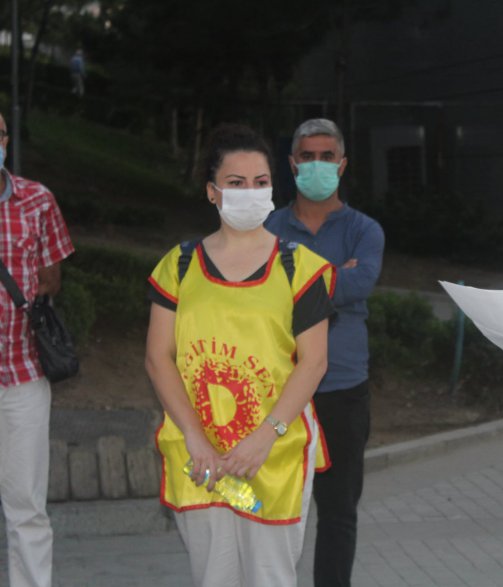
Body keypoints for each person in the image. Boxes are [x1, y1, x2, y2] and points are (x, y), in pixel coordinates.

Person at [145, 123, 335, 586]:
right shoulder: (179, 265)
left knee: (271, 576)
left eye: (260, 182)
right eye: (236, 182)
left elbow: (314, 363)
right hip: (200, 453)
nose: (250, 192)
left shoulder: (300, 268)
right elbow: (158, 357)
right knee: (212, 575)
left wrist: (265, 437)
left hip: (274, 450)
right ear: (212, 192)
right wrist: (194, 436)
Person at [265, 118, 384, 587]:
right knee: (271, 505)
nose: (318, 165)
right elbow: (258, 294)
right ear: (292, 164)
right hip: (278, 389)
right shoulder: (267, 226)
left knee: (338, 512)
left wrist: (293, 281)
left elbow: (360, 284)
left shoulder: (365, 230)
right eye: (308, 157)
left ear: (343, 164)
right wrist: (334, 275)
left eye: (327, 157)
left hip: (342, 390)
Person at [0, 112, 74, 587]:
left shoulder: (37, 199)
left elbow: (51, 279)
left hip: (22, 374)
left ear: (6, 140)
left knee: (26, 506)